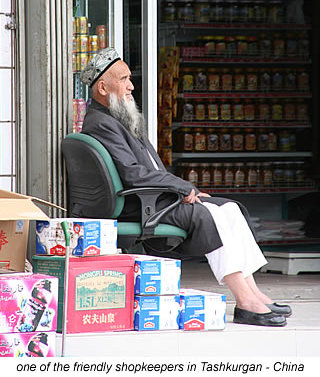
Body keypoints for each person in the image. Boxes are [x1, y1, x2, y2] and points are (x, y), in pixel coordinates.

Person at [80, 48, 292, 327]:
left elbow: (146, 170)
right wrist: (182, 188)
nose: (131, 85)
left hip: (157, 197)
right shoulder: (101, 123)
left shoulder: (117, 117)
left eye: (130, 78)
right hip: (142, 205)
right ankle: (244, 300)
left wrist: (184, 189)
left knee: (229, 209)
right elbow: (133, 175)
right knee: (211, 215)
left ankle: (254, 293)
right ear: (103, 87)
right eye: (124, 79)